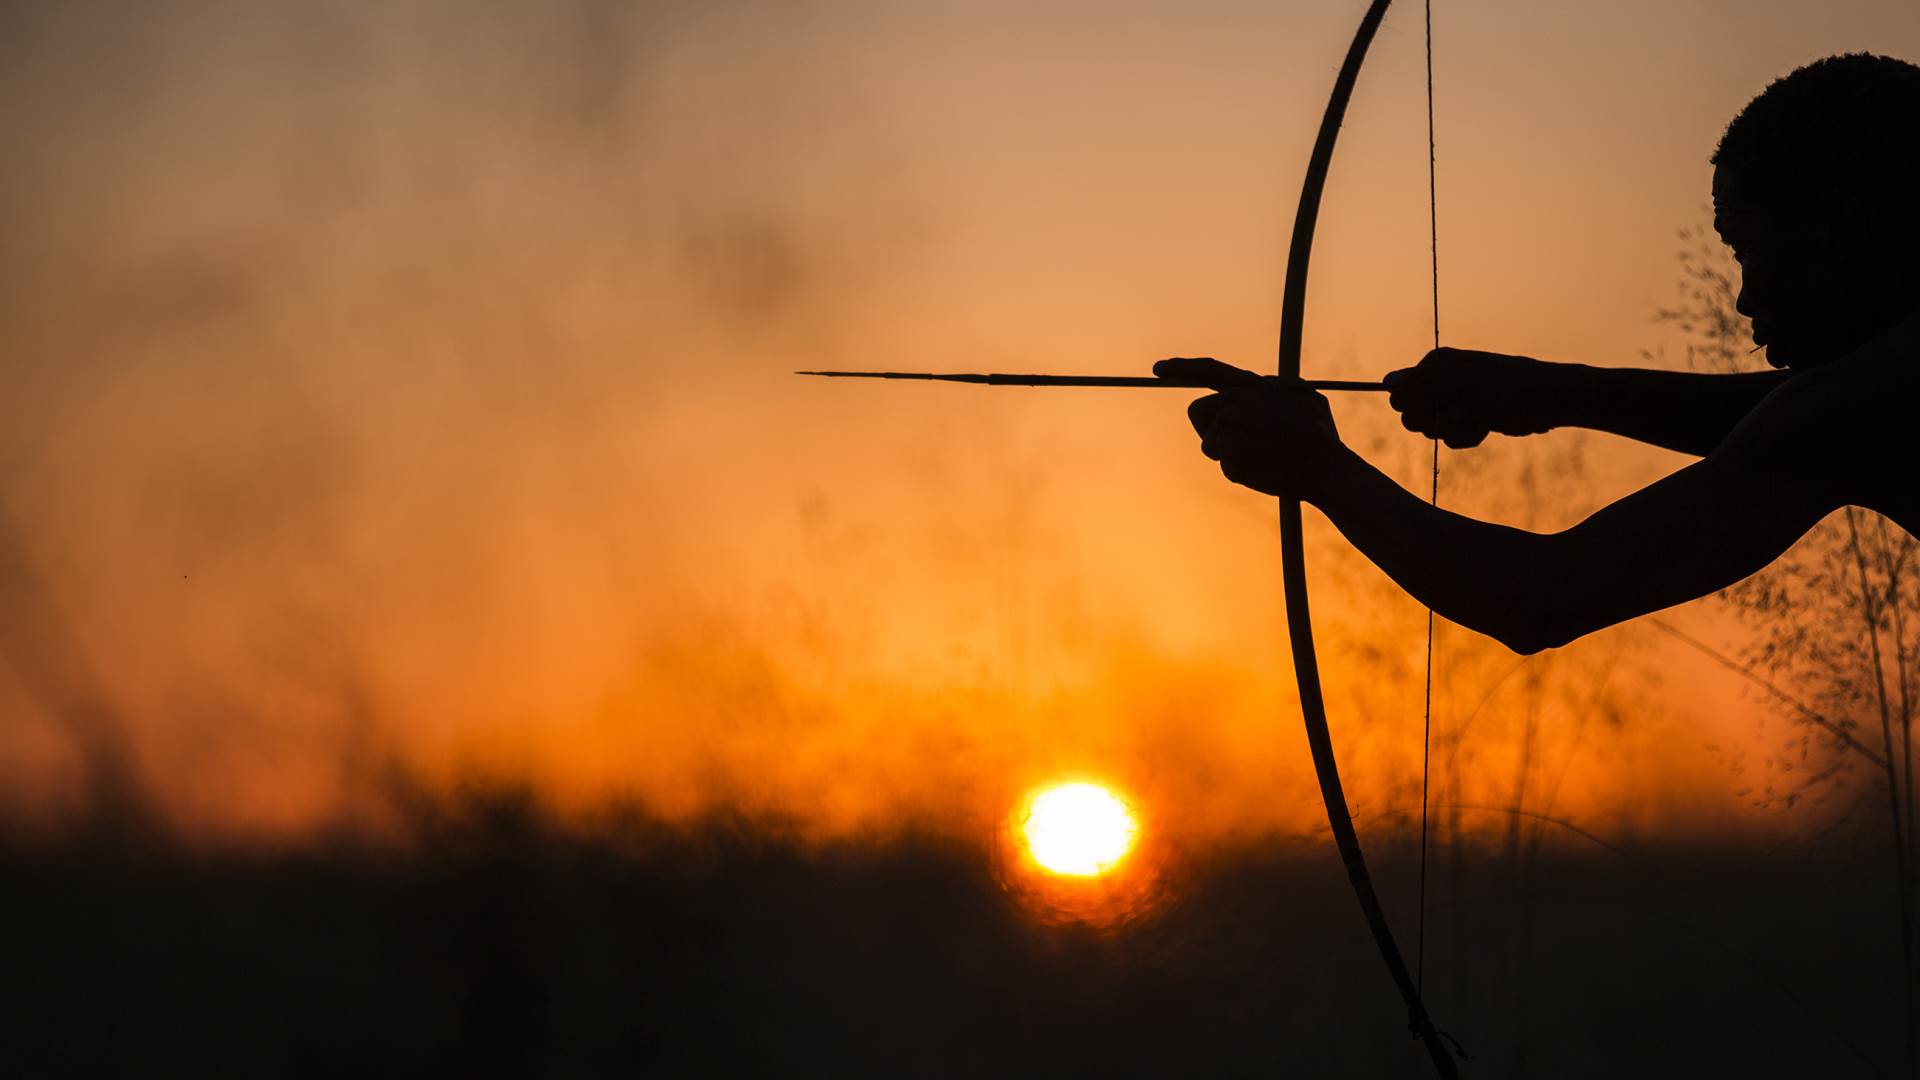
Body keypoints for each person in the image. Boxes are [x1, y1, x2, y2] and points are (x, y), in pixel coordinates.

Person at [1158, 52, 1919, 655]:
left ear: (1836, 227)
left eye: (1750, 246)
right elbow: (1766, 415)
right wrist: (1544, 391)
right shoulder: (1878, 389)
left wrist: (1317, 468)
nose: (1745, 298)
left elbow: (1538, 596)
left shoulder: (1869, 399)